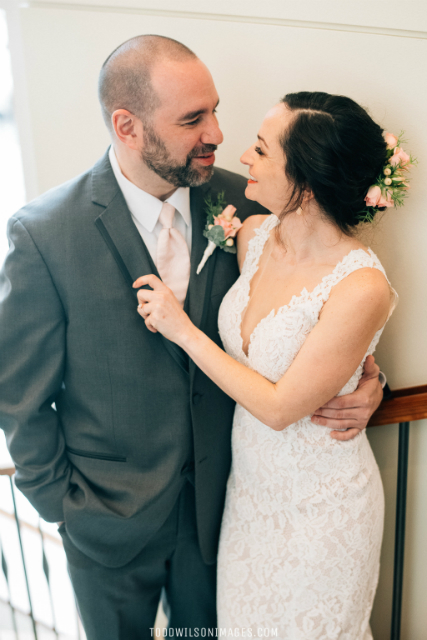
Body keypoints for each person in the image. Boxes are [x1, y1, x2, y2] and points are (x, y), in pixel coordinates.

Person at [0, 33, 383, 637]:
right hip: (108, 522)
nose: (217, 134)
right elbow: (19, 398)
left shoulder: (246, 202)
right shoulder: (46, 234)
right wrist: (63, 508)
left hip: (223, 512)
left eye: (215, 110)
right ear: (127, 126)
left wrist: (367, 379)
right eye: (192, 119)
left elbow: (311, 310)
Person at [133, 92, 401, 637]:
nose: (244, 159)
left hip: (323, 511)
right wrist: (372, 381)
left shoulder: (361, 286)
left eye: (261, 149)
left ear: (305, 180)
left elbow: (280, 408)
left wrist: (182, 329)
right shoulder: (252, 237)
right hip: (249, 497)